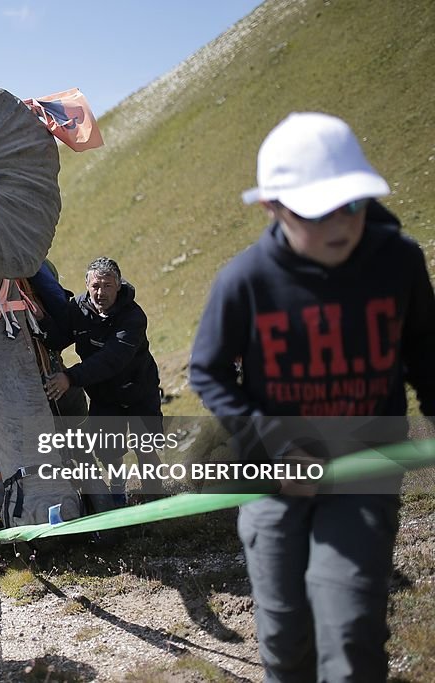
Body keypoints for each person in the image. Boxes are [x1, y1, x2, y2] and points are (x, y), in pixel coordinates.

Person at [189, 112, 435, 681]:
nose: (339, 224)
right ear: (271, 206)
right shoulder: (245, 281)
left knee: (351, 634)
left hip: (364, 470)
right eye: (315, 210)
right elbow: (208, 371)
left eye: (351, 204)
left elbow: (426, 351)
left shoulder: (398, 262)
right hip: (275, 483)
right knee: (283, 638)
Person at [39, 257, 165, 503]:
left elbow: (113, 358)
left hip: (140, 391)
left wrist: (70, 377)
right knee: (108, 451)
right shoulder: (77, 308)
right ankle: (119, 489)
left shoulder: (133, 317)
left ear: (118, 286)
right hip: (104, 394)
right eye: (96, 285)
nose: (101, 292)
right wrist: (41, 320)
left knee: (145, 449)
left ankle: (157, 502)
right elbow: (58, 339)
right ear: (87, 284)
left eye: (107, 286)